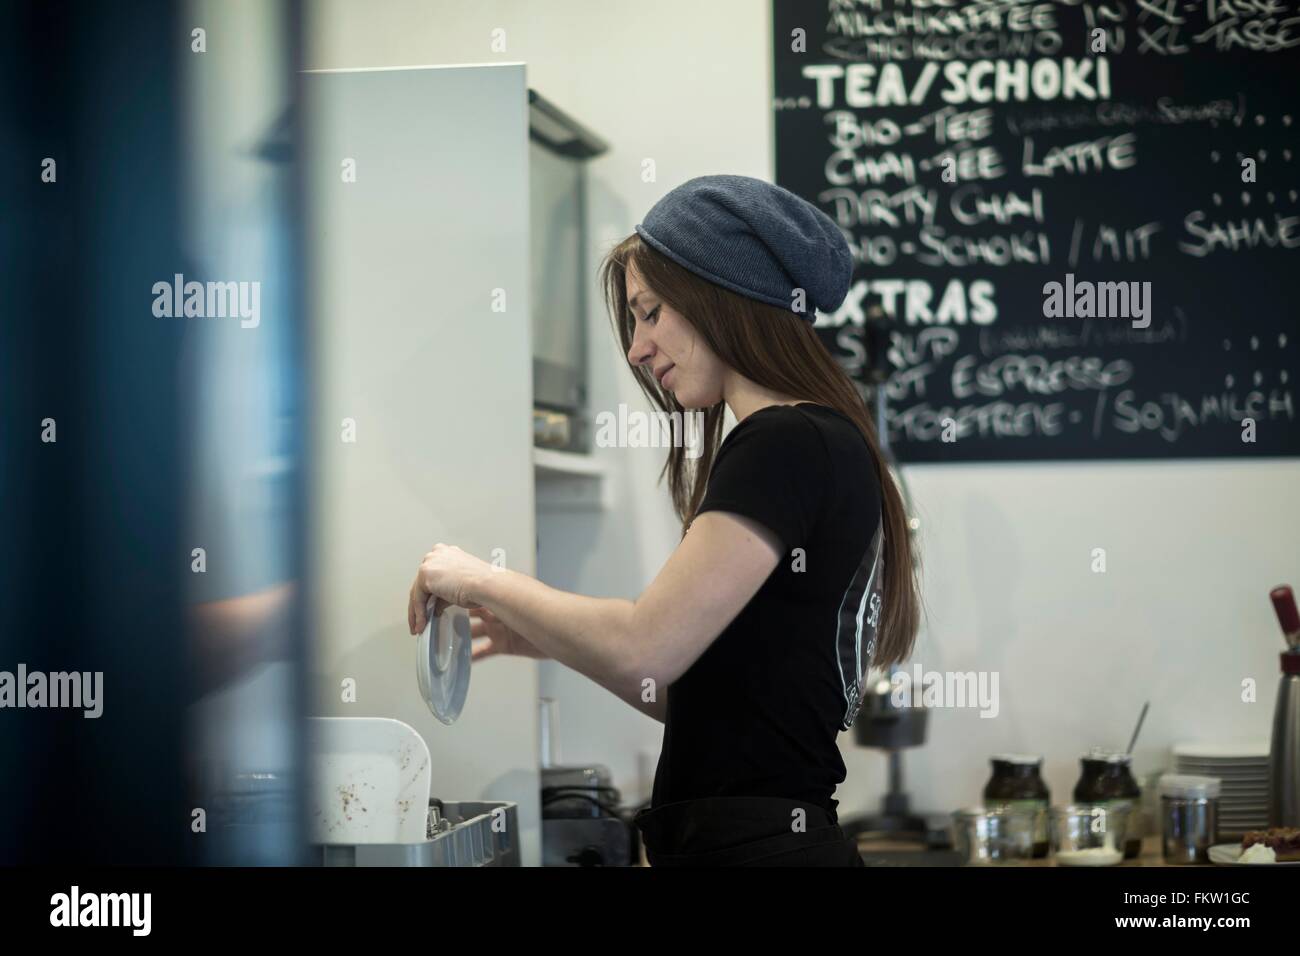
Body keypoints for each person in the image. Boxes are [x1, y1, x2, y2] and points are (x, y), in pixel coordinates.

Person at [407, 174, 920, 866]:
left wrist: (479, 579)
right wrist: (547, 633)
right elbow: (700, 699)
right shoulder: (816, 441)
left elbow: (646, 646)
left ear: (723, 296)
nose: (637, 349)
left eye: (650, 313)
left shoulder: (784, 443)